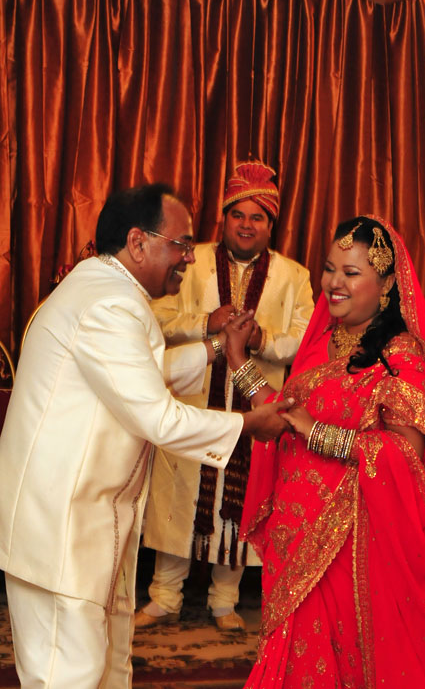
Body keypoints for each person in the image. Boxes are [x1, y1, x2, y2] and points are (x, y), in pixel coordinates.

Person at [0, 183, 292, 689]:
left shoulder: (105, 288)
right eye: (181, 245)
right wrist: (249, 424)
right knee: (68, 676)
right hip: (63, 530)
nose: (189, 258)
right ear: (138, 242)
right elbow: (158, 417)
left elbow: (143, 375)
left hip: (82, 525)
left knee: (104, 671)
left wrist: (217, 349)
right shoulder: (111, 304)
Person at [225, 216, 425, 688]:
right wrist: (239, 361)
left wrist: (319, 433)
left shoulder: (402, 357)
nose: (334, 283)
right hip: (294, 535)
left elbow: (404, 454)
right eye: (329, 268)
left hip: (350, 546)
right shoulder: (323, 343)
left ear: (386, 285)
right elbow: (283, 417)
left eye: (351, 272)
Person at [136, 161, 314, 631]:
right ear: (224, 218)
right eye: (238, 214)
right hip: (193, 401)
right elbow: (156, 318)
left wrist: (262, 339)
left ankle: (224, 600)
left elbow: (306, 338)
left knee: (242, 499)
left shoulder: (293, 276)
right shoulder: (188, 261)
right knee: (178, 498)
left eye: (257, 217)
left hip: (255, 404)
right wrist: (206, 324)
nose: (246, 225)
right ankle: (164, 596)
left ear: (271, 225)